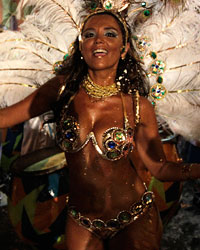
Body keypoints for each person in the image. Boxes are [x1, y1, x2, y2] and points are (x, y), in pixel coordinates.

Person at [0, 6, 200, 250]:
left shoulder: (138, 105)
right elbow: (5, 117)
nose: (98, 40)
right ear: (82, 45)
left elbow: (159, 168)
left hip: (134, 218)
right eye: (90, 34)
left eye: (110, 34)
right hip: (82, 220)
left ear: (124, 49)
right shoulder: (62, 90)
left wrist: (194, 170)